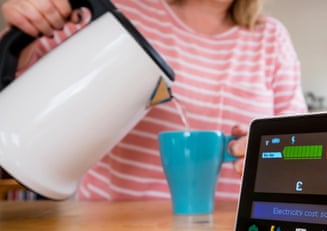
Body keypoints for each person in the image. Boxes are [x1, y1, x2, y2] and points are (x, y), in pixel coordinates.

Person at [1, 0, 307, 200]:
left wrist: (274, 149)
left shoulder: (271, 37)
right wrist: (31, 16)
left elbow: (299, 146)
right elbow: (20, 80)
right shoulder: (124, 11)